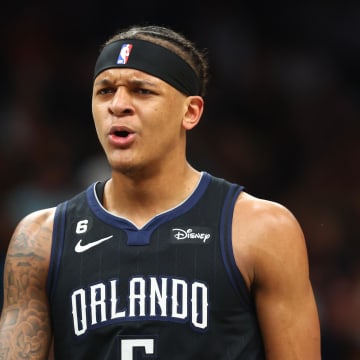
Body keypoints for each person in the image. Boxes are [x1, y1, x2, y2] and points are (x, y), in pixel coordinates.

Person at [0, 24, 321, 359]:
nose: (118, 105)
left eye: (142, 91)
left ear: (191, 111)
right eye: (105, 91)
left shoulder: (263, 229)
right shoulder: (39, 240)